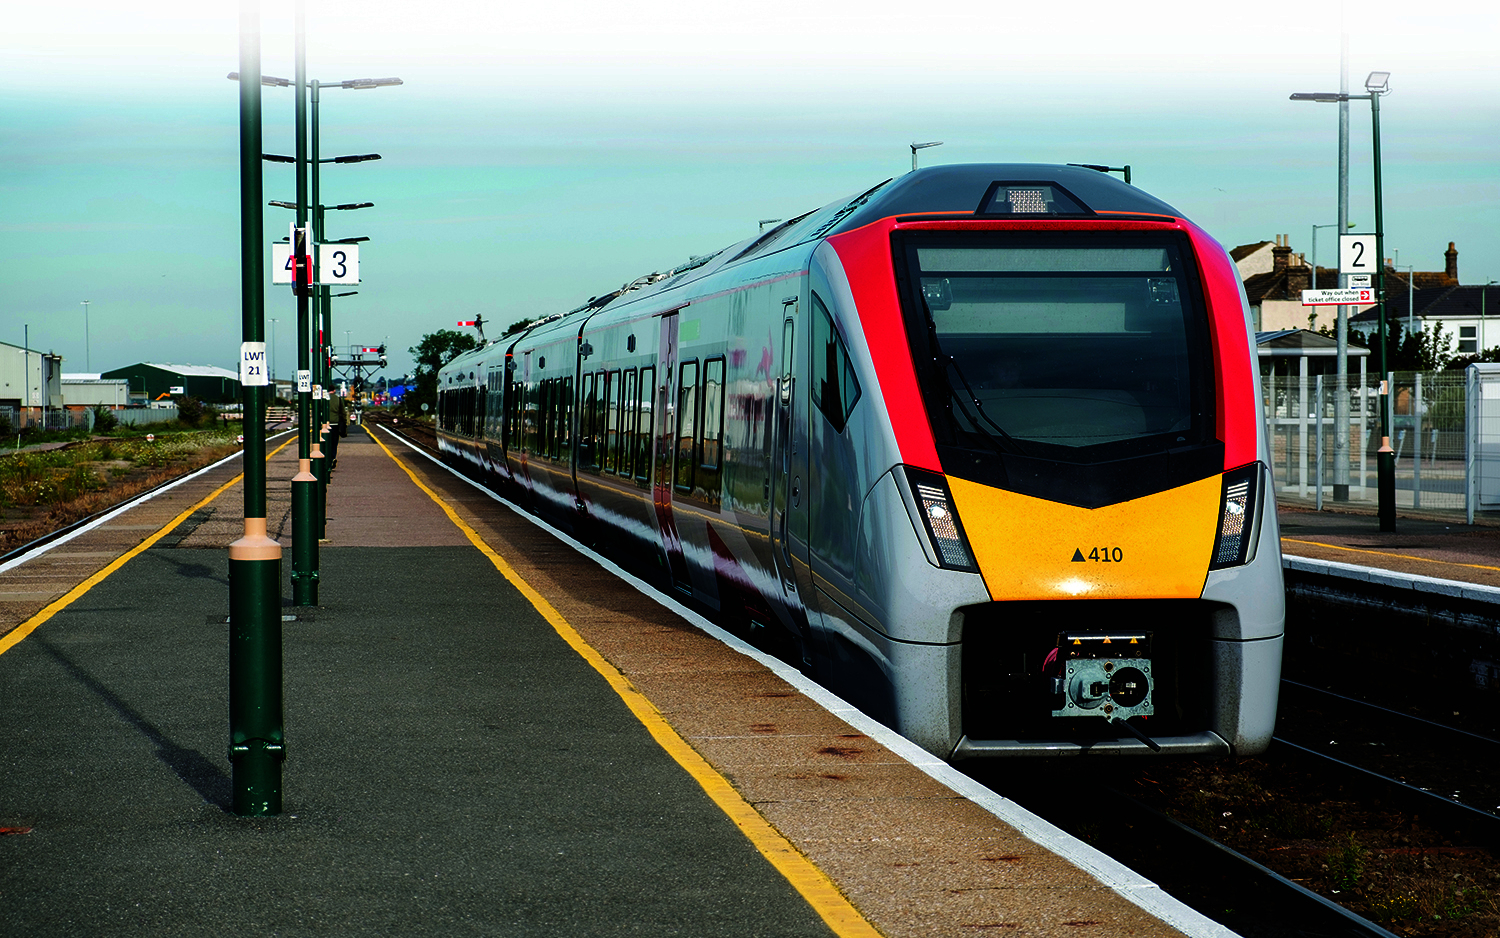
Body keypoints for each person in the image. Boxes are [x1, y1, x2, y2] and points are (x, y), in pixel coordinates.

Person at [327, 391, 347, 470]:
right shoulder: (338, 399)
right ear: (334, 390)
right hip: (335, 423)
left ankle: (326, 458)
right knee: (334, 443)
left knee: (325, 442)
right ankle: (333, 457)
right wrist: (344, 422)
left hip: (325, 424)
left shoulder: (322, 398)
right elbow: (342, 412)